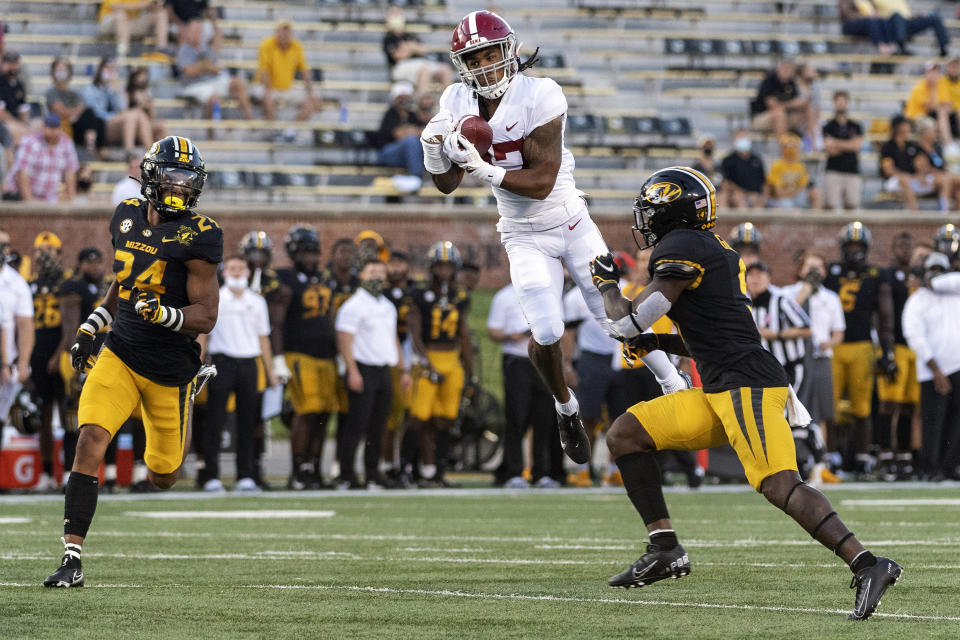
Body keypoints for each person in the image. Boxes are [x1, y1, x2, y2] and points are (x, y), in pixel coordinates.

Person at [587, 166, 901, 620]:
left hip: (744, 388)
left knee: (778, 485)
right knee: (625, 434)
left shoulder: (681, 247)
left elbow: (627, 321)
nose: (646, 220)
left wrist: (607, 285)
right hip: (722, 384)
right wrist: (658, 342)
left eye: (651, 211)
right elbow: (710, 335)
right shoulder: (711, 249)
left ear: (670, 213)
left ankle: (868, 563)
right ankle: (665, 547)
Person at [421, 11, 686, 466]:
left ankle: (673, 383)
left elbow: (542, 181)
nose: (485, 66)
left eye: (490, 54)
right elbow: (446, 186)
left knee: (615, 316)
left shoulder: (541, 93)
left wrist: (485, 170)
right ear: (462, 64)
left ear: (509, 52)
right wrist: (432, 151)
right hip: (522, 234)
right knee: (545, 331)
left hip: (570, 222)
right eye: (475, 58)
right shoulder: (454, 99)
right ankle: (567, 408)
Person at [44, 135, 222, 587]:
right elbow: (124, 282)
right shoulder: (125, 216)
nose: (180, 188)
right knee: (90, 438)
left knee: (164, 475)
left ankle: (189, 389)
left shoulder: (201, 235)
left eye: (188, 180)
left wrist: (164, 314)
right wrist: (93, 324)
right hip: (121, 353)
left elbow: (207, 315)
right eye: (173, 177)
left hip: (170, 369)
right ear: (150, 176)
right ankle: (71, 558)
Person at [196, 255, 275, 492]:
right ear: (224, 272)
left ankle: (245, 475)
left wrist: (271, 374)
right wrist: (196, 365)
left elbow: (264, 339)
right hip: (222, 363)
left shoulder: (257, 301)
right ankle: (211, 476)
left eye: (241, 268)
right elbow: (204, 335)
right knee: (216, 420)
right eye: (232, 268)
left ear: (248, 272)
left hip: (249, 363)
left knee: (247, 421)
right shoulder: (216, 298)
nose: (237, 272)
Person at [823, 221, 896, 475]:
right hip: (834, 346)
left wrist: (887, 351)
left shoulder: (876, 275)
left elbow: (885, 316)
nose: (854, 251)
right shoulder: (830, 272)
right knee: (829, 407)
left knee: (862, 407)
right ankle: (831, 455)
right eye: (850, 245)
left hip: (862, 346)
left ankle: (862, 455)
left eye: (858, 246)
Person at [268, 226, 337, 490]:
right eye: (303, 251)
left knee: (323, 414)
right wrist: (278, 358)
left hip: (326, 355)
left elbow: (329, 317)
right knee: (305, 413)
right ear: (293, 252)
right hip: (299, 353)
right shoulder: (284, 278)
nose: (309, 256)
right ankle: (297, 472)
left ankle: (314, 470)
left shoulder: (323, 278)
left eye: (312, 251)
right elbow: (277, 323)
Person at [336, 257, 411, 489]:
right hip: (363, 367)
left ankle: (372, 471)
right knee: (357, 424)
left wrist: (403, 368)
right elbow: (344, 340)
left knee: (379, 425)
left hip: (383, 369)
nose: (377, 276)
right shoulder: (354, 305)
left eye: (380, 272)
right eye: (372, 271)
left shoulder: (387, 305)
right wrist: (352, 371)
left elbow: (392, 340)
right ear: (361, 275)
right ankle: (347, 473)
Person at [404, 242, 472, 487]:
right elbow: (414, 333)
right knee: (419, 417)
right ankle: (408, 469)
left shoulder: (460, 296)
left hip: (451, 359)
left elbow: (463, 333)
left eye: (449, 266)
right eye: (440, 266)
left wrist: (469, 370)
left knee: (446, 419)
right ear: (432, 268)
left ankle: (438, 472)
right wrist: (426, 363)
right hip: (428, 357)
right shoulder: (419, 295)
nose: (445, 271)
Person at [488, 280, 564, 488]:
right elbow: (493, 331)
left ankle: (541, 472)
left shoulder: (549, 293)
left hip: (543, 359)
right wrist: (510, 335)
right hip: (517, 360)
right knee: (516, 416)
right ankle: (514, 472)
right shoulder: (504, 296)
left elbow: (559, 327)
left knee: (544, 417)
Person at [781, 251, 845, 483]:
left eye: (818, 268)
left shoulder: (830, 298)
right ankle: (795, 462)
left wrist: (830, 342)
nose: (814, 273)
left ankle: (821, 463)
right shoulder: (788, 293)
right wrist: (805, 290)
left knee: (820, 413)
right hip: (795, 359)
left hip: (819, 358)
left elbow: (838, 332)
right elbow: (785, 315)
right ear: (800, 270)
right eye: (810, 268)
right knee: (793, 410)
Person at [903, 252, 960, 480]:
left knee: (957, 422)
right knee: (933, 423)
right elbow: (914, 336)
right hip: (931, 370)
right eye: (932, 269)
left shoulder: (954, 291)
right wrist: (936, 370)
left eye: (940, 269)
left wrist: (931, 280)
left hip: (958, 366)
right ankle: (930, 468)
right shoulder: (917, 300)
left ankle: (950, 466)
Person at [57, 247, 108, 486]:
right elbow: (69, 332)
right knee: (74, 417)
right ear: (80, 264)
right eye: (91, 262)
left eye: (99, 262)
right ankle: (70, 473)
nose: (96, 266)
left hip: (108, 357)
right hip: (80, 358)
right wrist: (72, 359)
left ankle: (110, 474)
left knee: (107, 418)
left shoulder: (109, 285)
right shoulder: (73, 286)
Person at [873, 232, 919, 481]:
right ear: (892, 247)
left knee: (909, 407)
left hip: (916, 348)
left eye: (908, 244)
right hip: (897, 346)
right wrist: (886, 349)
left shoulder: (919, 276)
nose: (905, 249)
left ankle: (904, 456)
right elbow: (883, 314)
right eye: (901, 244)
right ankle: (886, 456)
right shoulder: (888, 275)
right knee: (888, 405)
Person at [28, 232, 69, 492]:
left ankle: (66, 473)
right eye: (40, 249)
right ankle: (44, 473)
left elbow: (70, 322)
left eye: (49, 249)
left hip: (61, 351)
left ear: (59, 253)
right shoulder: (29, 283)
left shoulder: (67, 281)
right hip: (37, 352)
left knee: (66, 413)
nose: (44, 253)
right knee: (42, 414)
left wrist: (59, 354)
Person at [177, 19, 253, 121]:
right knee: (213, 98)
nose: (197, 34)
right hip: (194, 86)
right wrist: (205, 66)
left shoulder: (206, 48)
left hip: (213, 81)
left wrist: (202, 67)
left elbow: (217, 69)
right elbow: (189, 72)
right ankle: (211, 133)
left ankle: (250, 122)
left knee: (238, 83)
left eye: (199, 31)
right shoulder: (184, 50)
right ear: (188, 33)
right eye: (194, 31)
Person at [82, 57, 154, 154]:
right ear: (100, 70)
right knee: (132, 115)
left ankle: (153, 154)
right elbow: (93, 113)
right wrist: (114, 116)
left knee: (139, 114)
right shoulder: (89, 89)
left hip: (117, 123)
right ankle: (130, 152)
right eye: (108, 68)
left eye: (113, 69)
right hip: (101, 127)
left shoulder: (114, 89)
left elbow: (122, 109)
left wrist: (115, 91)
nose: (111, 72)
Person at [0, 229, 35, 430]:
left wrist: (22, 363)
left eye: (4, 245)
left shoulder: (16, 283)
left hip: (5, 362)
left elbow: (25, 325)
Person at [2, 114, 79, 203]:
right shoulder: (30, 142)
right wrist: (29, 202)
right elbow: (23, 174)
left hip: (48, 198)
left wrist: (71, 198)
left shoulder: (67, 143)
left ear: (60, 129)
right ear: (43, 127)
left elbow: (70, 172)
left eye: (54, 128)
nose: (50, 131)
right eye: (48, 127)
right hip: (18, 195)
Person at [256, 21, 317, 132]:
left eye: (286, 32)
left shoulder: (296, 46)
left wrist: (309, 93)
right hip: (267, 86)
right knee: (267, 99)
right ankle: (273, 131)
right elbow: (264, 72)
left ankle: (290, 132)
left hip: (286, 88)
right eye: (281, 32)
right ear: (276, 32)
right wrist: (268, 92)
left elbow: (305, 73)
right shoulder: (266, 45)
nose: (284, 35)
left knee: (311, 103)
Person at [880, 114, 946, 211]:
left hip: (912, 178)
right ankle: (914, 211)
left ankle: (944, 210)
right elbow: (888, 170)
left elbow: (921, 162)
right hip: (894, 181)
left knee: (942, 179)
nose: (908, 127)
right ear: (898, 127)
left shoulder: (911, 145)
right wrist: (906, 176)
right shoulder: (888, 146)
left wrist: (921, 175)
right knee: (904, 179)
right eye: (905, 124)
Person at [382, 6, 452, 96]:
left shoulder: (409, 35)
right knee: (424, 70)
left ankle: (450, 103)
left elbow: (423, 50)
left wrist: (409, 48)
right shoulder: (388, 38)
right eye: (393, 14)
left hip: (420, 63)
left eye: (398, 14)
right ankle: (423, 104)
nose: (396, 17)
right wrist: (412, 48)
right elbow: (398, 56)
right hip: (399, 67)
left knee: (445, 69)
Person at [45, 58, 104, 157]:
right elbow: (60, 111)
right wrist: (74, 112)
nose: (61, 73)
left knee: (97, 120)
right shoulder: (51, 92)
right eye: (59, 70)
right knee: (88, 114)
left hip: (76, 126)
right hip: (62, 127)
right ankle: (93, 148)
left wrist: (72, 112)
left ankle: (92, 145)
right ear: (53, 72)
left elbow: (82, 107)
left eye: (64, 70)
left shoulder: (74, 92)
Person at [377, 81, 426, 194]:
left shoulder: (413, 115)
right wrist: (415, 131)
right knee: (411, 141)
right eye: (401, 98)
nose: (404, 101)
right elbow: (399, 134)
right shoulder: (391, 114)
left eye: (407, 98)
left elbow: (425, 132)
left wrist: (411, 130)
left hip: (408, 154)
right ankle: (416, 177)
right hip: (388, 153)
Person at [822, 90, 864, 211]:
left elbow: (856, 146)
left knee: (852, 206)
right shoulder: (828, 126)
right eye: (838, 101)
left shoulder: (855, 126)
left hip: (852, 170)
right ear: (834, 103)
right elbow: (830, 150)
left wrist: (836, 142)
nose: (841, 104)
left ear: (847, 103)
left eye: (843, 101)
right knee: (832, 206)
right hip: (834, 170)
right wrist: (848, 145)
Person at [749, 59, 809, 140]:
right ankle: (784, 147)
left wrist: (788, 104)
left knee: (805, 111)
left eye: (790, 69)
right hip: (761, 117)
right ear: (779, 68)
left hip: (784, 117)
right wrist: (790, 104)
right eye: (785, 68)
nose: (787, 71)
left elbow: (801, 102)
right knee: (779, 113)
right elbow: (773, 105)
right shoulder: (769, 81)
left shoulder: (791, 83)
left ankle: (810, 144)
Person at [873, 0, 950, 57]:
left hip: (907, 22)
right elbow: (872, 14)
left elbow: (906, 13)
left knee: (934, 17)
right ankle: (901, 47)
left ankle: (943, 47)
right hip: (890, 24)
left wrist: (915, 16)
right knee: (897, 15)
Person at [765, 133, 821, 209]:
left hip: (796, 195)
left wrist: (793, 191)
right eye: (787, 147)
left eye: (793, 147)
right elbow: (779, 192)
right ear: (782, 148)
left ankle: (815, 220)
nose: (790, 149)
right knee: (786, 205)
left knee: (816, 194)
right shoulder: (777, 165)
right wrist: (792, 191)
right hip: (781, 199)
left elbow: (802, 187)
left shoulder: (800, 166)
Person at [98, 0, 169, 58]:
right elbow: (116, 6)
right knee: (120, 14)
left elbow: (152, 7)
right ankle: (123, 52)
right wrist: (145, 3)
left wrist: (155, 4)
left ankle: (161, 49)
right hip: (109, 22)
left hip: (131, 22)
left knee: (161, 13)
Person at [720, 130, 766, 209]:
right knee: (739, 200)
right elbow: (725, 182)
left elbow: (764, 182)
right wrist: (742, 192)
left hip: (755, 195)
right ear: (735, 141)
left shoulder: (756, 159)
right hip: (737, 195)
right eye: (740, 138)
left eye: (744, 138)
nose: (742, 141)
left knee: (758, 204)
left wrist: (764, 197)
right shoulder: (728, 160)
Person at [126, 66, 166, 142]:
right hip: (134, 124)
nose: (142, 79)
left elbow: (152, 116)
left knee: (161, 126)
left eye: (144, 76)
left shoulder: (147, 93)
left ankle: (165, 151)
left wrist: (149, 105)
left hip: (147, 122)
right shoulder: (128, 93)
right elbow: (126, 112)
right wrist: (140, 105)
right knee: (144, 126)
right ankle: (149, 151)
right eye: (140, 76)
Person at [0, 51, 29, 146]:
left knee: (38, 125)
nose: (12, 67)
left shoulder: (19, 84)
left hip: (16, 121)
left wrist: (25, 123)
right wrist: (18, 124)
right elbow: (1, 113)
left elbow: (23, 109)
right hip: (4, 122)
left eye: (15, 64)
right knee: (16, 130)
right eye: (10, 63)